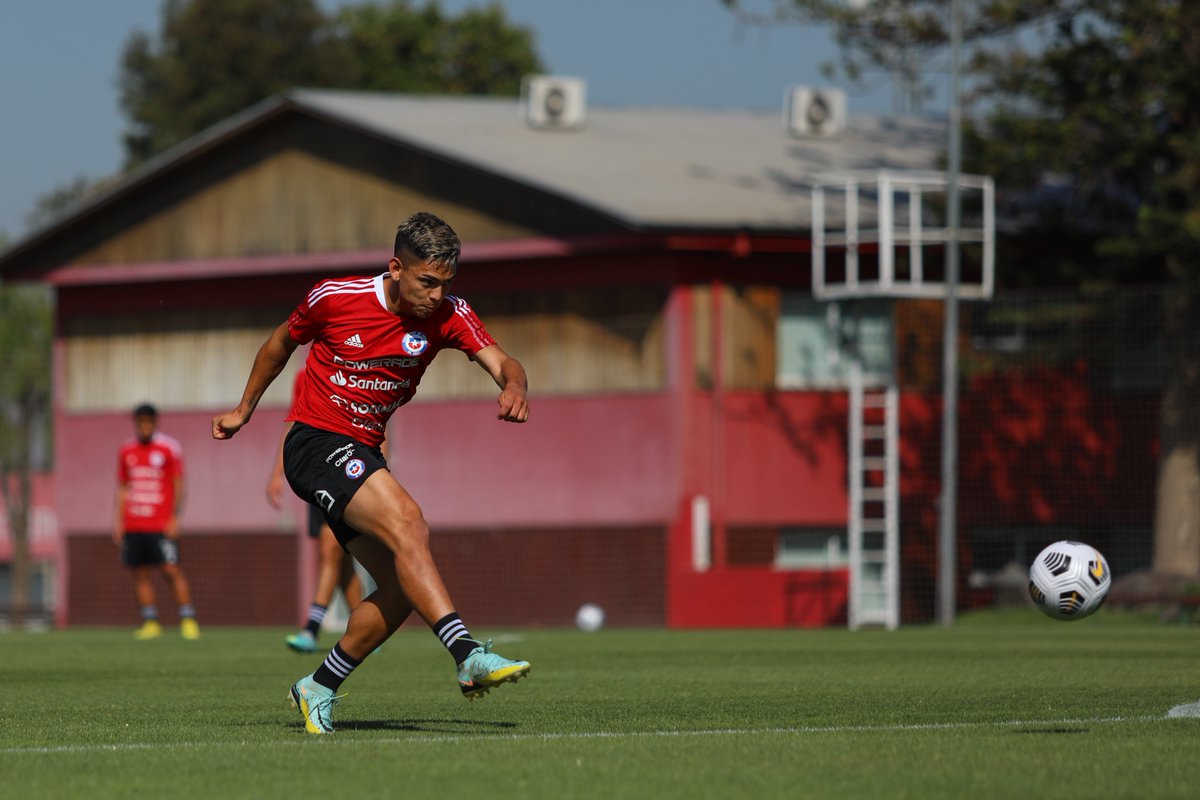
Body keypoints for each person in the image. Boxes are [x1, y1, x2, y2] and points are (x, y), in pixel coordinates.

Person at [212, 211, 531, 735]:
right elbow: (278, 345)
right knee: (409, 521)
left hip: (362, 452)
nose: (436, 295)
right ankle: (467, 655)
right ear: (395, 268)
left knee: (403, 588)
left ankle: (318, 686)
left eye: (446, 283)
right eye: (426, 282)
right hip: (313, 443)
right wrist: (243, 410)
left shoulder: (451, 313)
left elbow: (502, 361)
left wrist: (514, 386)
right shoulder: (335, 297)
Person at [268, 365, 364, 653]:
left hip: (350, 470)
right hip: (318, 471)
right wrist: (277, 472)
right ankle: (368, 632)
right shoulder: (305, 375)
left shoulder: (362, 367)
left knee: (331, 550)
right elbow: (293, 423)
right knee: (341, 560)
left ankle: (311, 629)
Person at [114, 403, 200, 640]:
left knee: (171, 569)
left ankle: (188, 619)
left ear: (154, 422)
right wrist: (118, 521)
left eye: (148, 422)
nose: (145, 427)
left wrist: (175, 517)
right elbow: (122, 488)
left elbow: (179, 483)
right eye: (140, 422)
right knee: (140, 573)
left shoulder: (169, 448)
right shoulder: (126, 450)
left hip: (161, 523)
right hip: (134, 523)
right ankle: (150, 621)